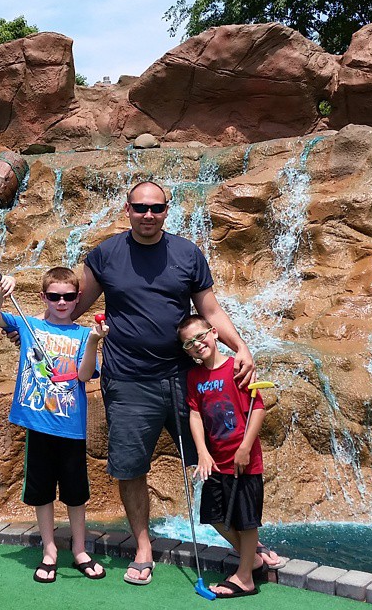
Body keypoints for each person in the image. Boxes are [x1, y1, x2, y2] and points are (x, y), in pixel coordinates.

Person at [72, 180, 256, 585]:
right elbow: (72, 305)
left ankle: (246, 549)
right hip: (128, 380)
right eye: (140, 207)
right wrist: (30, 329)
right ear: (127, 209)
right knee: (130, 468)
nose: (148, 215)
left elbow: (209, 309)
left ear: (167, 210)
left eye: (156, 208)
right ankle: (143, 547)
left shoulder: (188, 253)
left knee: (217, 458)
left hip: (184, 378)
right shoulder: (105, 255)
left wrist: (241, 347)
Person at [0, 266, 108, 583]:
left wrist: (93, 340)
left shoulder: (81, 334)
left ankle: (80, 549)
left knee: (76, 493)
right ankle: (49, 550)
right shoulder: (28, 325)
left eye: (68, 297)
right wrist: (2, 290)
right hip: (39, 424)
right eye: (54, 296)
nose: (61, 302)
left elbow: (83, 375)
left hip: (71, 428)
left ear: (78, 298)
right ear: (43, 298)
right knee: (41, 493)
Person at [178, 314, 267, 598]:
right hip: (215, 460)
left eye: (200, 337)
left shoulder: (237, 368)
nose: (196, 344)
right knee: (213, 514)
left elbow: (258, 409)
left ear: (214, 333)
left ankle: (245, 579)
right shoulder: (195, 376)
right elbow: (194, 414)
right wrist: (202, 452)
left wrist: (244, 448)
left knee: (246, 520)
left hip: (244, 460)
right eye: (189, 343)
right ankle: (250, 558)